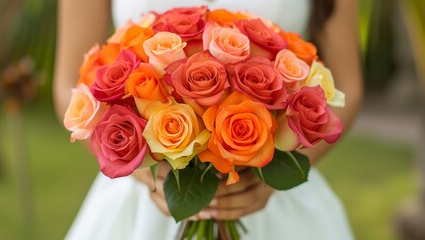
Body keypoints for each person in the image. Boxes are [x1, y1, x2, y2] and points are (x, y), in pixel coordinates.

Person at [54, 0, 362, 239]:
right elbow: (69, 85)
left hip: (277, 201)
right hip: (141, 203)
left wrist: (268, 182)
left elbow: (347, 86)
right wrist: (147, 172)